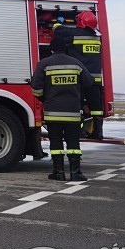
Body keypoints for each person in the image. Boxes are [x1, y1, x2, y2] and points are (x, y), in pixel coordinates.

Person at [31, 26, 95, 181]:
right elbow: (89, 82)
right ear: (65, 49)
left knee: (56, 142)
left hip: (53, 113)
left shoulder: (44, 64)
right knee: (73, 143)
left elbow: (36, 88)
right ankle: (76, 173)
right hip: (73, 113)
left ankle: (58, 172)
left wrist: (44, 98)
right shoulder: (76, 63)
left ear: (52, 49)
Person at [67, 11, 105, 139]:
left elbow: (61, 33)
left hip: (80, 79)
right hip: (95, 80)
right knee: (96, 108)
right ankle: (98, 132)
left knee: (78, 106)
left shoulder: (74, 34)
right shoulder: (98, 37)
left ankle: (81, 131)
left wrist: (58, 24)